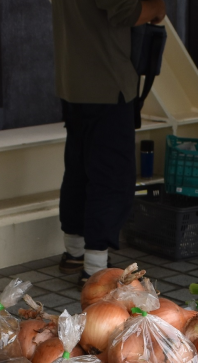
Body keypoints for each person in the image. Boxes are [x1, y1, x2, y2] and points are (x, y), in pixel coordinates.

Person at [52, 0, 166, 279]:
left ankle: (75, 254)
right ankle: (95, 270)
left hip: (74, 83)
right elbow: (126, 11)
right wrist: (157, 9)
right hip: (107, 83)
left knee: (79, 171)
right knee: (111, 176)